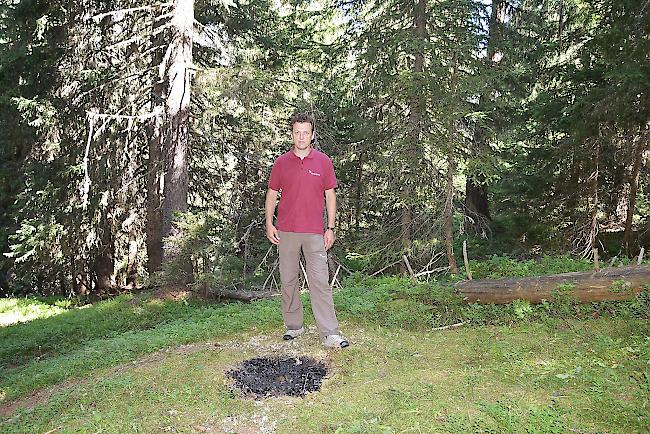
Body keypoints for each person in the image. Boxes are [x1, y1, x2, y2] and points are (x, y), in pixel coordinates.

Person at [265, 112, 349, 349]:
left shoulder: (323, 162)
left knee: (319, 281)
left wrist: (331, 227)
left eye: (305, 132)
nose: (301, 137)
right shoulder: (281, 163)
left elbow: (330, 195)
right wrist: (269, 223)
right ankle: (294, 326)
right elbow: (272, 193)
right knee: (288, 280)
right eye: (297, 132)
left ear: (312, 135)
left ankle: (330, 333)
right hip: (286, 231)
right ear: (292, 134)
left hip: (314, 232)